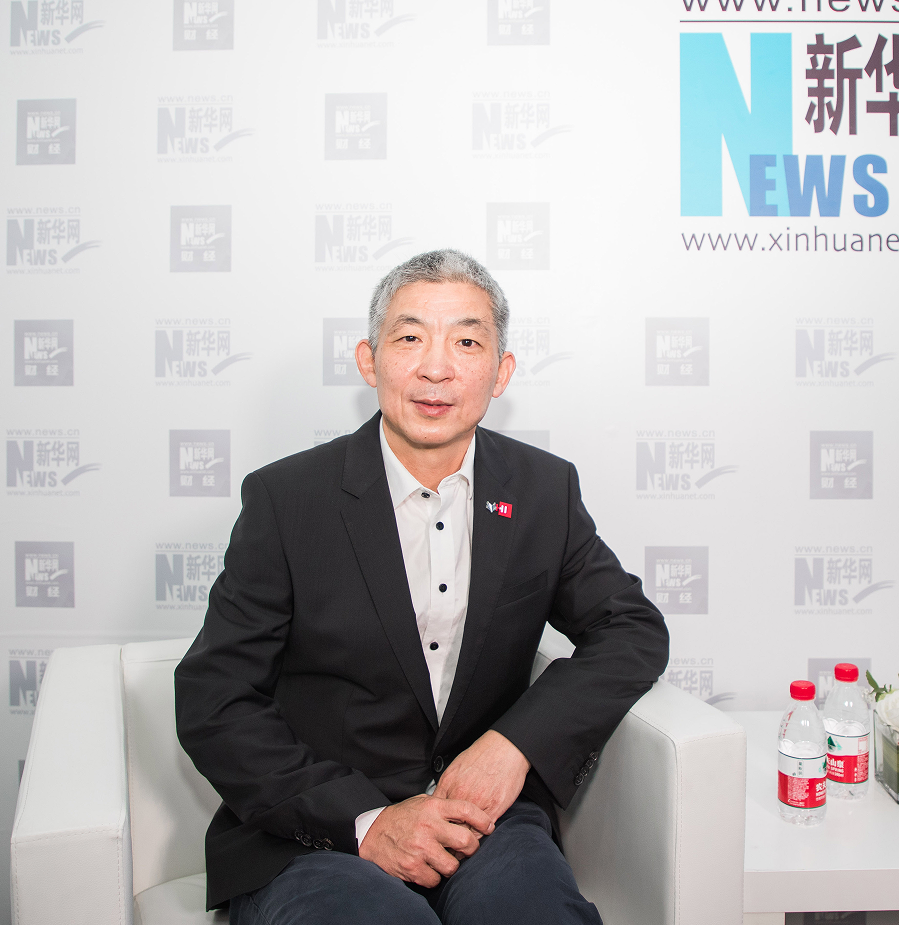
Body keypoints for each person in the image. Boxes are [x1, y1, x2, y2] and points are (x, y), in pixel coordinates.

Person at [175, 249, 670, 925]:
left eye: (466, 342)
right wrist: (367, 821)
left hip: (480, 822)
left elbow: (630, 628)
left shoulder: (542, 490)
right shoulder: (287, 500)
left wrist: (514, 744)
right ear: (369, 360)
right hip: (317, 834)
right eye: (410, 338)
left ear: (501, 372)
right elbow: (214, 696)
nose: (437, 368)